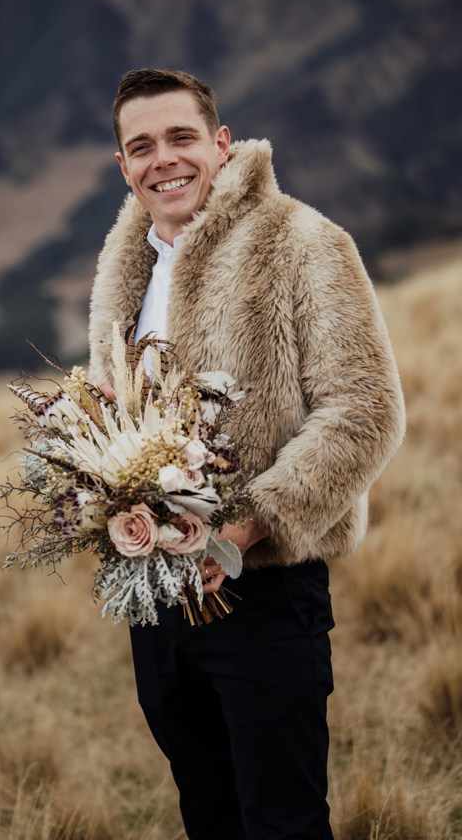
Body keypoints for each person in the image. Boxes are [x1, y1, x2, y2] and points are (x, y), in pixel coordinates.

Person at [86, 68, 404, 839]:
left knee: (283, 823)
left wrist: (252, 524)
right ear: (123, 166)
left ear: (222, 144)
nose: (164, 159)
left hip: (265, 594)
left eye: (181, 137)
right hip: (157, 600)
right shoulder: (123, 271)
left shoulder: (303, 242)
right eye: (142, 147)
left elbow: (365, 409)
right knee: (209, 816)